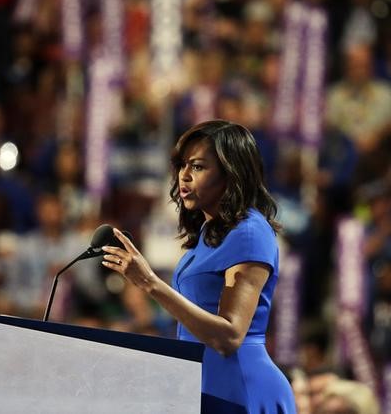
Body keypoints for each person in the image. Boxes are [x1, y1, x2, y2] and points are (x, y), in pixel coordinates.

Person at [101, 120, 296, 413]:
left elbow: (230, 336)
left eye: (198, 167)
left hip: (241, 388)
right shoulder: (209, 230)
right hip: (204, 384)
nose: (184, 176)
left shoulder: (250, 232)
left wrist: (151, 284)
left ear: (231, 173)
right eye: (182, 166)